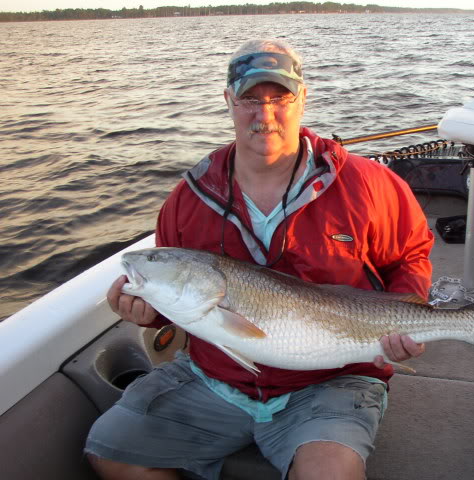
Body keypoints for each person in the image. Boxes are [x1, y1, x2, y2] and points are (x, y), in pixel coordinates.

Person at [85, 38, 434, 480]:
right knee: (109, 450)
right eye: (250, 98)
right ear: (229, 101)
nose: (264, 114)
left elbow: (410, 255)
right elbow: (179, 302)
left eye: (279, 98)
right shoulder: (189, 197)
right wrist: (149, 313)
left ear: (303, 98)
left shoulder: (368, 184)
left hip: (333, 377)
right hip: (215, 376)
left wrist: (406, 311)